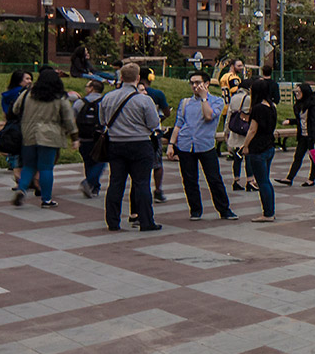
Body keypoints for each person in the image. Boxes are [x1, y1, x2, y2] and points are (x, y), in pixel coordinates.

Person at [102, 62, 165, 232]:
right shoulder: (144, 100)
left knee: (115, 183)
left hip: (115, 144)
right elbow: (153, 124)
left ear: (121, 77)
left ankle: (113, 221)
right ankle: (146, 221)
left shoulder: (107, 98)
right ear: (138, 78)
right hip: (140, 144)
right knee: (142, 183)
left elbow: (103, 121)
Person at [170, 71, 238, 221]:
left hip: (206, 145)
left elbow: (208, 116)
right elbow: (178, 124)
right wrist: (171, 144)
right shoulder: (185, 102)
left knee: (214, 178)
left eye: (197, 82)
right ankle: (195, 210)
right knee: (189, 179)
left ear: (206, 84)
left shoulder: (217, 101)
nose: (194, 86)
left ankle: (224, 209)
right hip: (186, 144)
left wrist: (204, 98)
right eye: (192, 83)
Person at [11, 69, 77, 208]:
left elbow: (15, 109)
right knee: (46, 168)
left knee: (29, 166)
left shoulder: (28, 93)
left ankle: (22, 189)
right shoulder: (60, 97)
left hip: (28, 134)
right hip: (50, 136)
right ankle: (46, 200)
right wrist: (74, 136)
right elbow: (68, 118)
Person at [236, 78, 282, 222]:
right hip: (269, 146)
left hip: (258, 148)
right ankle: (270, 211)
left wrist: (246, 146)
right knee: (265, 181)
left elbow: (252, 130)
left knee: (262, 182)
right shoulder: (271, 106)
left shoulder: (257, 108)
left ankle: (267, 213)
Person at [279, 83, 315, 187]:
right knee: (298, 156)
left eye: (299, 92)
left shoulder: (313, 104)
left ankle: (311, 179)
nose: (297, 94)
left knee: (314, 157)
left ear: (304, 92)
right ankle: (289, 178)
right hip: (302, 135)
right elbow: (300, 120)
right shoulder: (300, 104)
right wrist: (290, 121)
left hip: (311, 136)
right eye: (296, 92)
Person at [142, 68, 173, 204]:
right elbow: (167, 112)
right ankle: (158, 190)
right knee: (157, 164)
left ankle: (141, 189)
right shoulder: (157, 94)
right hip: (154, 134)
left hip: (136, 135)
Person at [75, 80, 110, 198]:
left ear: (91, 88)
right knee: (101, 161)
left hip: (83, 137)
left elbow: (72, 118)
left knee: (88, 162)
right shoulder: (105, 102)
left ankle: (92, 186)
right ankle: (91, 183)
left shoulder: (79, 102)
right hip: (99, 137)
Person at [0, 71, 31, 182]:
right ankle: (25, 183)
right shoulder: (24, 94)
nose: (30, 81)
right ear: (19, 80)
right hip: (23, 127)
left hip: (12, 128)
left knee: (16, 156)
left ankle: (19, 181)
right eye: (27, 79)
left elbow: (6, 113)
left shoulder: (6, 95)